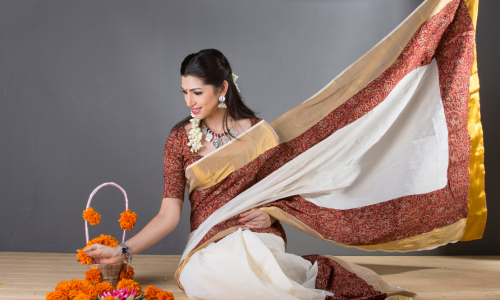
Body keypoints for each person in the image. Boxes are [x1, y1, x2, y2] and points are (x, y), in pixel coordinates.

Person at [84, 49, 419, 300]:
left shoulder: (259, 133)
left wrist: (271, 212)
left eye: (197, 92)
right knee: (202, 278)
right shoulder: (179, 140)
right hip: (208, 242)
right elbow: (167, 215)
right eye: (184, 92)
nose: (189, 101)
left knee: (252, 262)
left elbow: (287, 190)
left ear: (222, 89)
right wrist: (124, 251)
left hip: (256, 232)